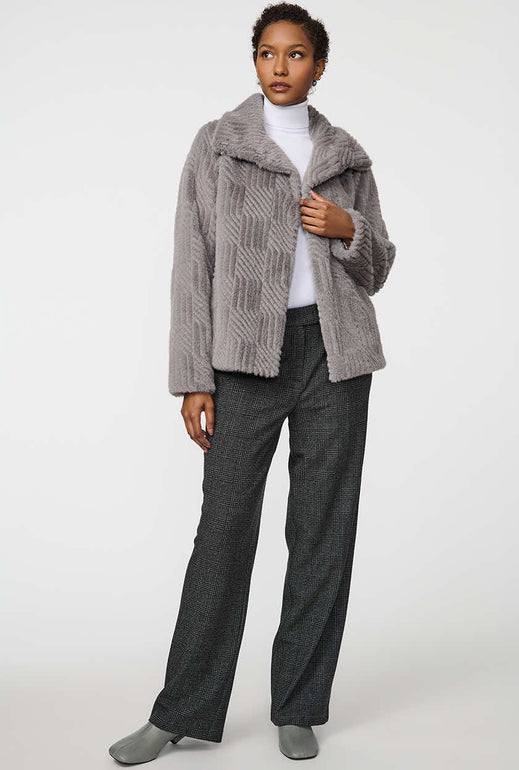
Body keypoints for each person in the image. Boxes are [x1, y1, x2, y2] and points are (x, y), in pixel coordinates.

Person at [109, 2, 396, 763]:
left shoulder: (347, 158)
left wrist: (350, 230)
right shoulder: (219, 146)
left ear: (319, 66)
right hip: (244, 360)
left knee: (323, 532)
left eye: (296, 54)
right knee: (224, 532)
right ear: (255, 60)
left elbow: (377, 268)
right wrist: (192, 378)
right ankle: (180, 709)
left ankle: (299, 705)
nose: (279, 66)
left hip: (335, 356)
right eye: (268, 52)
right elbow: (191, 262)